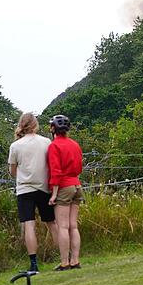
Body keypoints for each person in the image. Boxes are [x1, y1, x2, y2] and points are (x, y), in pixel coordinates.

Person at [9, 113, 58, 272]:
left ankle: (33, 263)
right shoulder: (46, 142)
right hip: (43, 187)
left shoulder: (15, 146)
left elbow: (12, 171)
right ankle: (65, 255)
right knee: (51, 223)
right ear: (35, 125)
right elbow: (51, 163)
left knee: (29, 225)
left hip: (24, 189)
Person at [46, 114, 84, 271]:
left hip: (63, 186)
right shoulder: (75, 144)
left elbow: (56, 171)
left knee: (62, 226)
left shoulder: (54, 146)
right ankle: (75, 260)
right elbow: (79, 167)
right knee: (73, 226)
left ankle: (64, 262)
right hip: (76, 185)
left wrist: (54, 193)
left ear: (53, 128)